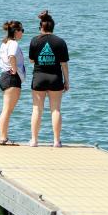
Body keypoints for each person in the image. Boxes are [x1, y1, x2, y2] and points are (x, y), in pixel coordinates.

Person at [28, 10, 69, 147]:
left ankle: (34, 140)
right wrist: (66, 81)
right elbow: (64, 64)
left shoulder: (34, 40)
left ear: (41, 27)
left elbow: (32, 61)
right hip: (55, 78)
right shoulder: (60, 42)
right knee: (55, 110)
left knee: (37, 109)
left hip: (39, 77)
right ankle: (56, 141)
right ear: (53, 27)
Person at [0, 20, 26, 146]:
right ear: (16, 31)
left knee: (6, 109)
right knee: (7, 110)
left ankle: (2, 137)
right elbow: (11, 56)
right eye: (22, 30)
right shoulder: (13, 43)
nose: (23, 33)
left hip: (4, 76)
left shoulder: (4, 43)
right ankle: (3, 138)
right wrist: (14, 69)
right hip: (11, 77)